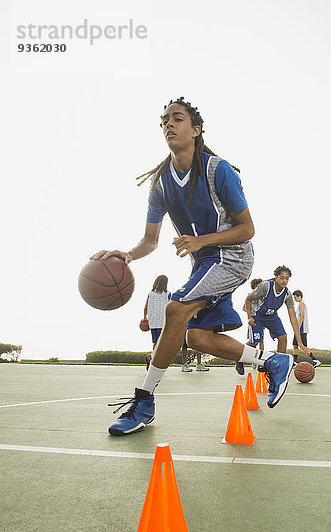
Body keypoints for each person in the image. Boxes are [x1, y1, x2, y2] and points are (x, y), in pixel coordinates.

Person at [92, 97, 294, 435]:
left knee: (175, 310)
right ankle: (271, 361)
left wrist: (201, 241)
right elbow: (150, 242)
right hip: (205, 262)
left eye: (177, 118)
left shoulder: (219, 170)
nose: (169, 124)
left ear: (196, 130)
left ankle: (144, 400)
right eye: (164, 121)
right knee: (196, 337)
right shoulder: (161, 184)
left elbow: (248, 229)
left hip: (232, 256)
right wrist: (127, 255)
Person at [235, 266, 316, 373]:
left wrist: (300, 342)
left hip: (271, 317)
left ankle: (278, 367)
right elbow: (248, 299)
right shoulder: (266, 286)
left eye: (287, 278)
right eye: (282, 278)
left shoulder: (287, 294)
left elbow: (293, 318)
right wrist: (249, 316)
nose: (284, 281)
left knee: (283, 337)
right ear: (276, 277)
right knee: (254, 342)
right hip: (257, 316)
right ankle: (239, 358)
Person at [235, 278, 264, 374]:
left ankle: (260, 362)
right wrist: (251, 315)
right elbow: (244, 308)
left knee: (260, 341)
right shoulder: (251, 295)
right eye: (260, 285)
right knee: (254, 342)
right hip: (254, 321)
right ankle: (239, 358)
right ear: (255, 286)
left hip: (262, 321)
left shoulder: (262, 296)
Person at [292, 290, 320, 366]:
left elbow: (302, 316)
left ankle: (315, 360)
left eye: (295, 297)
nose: (294, 299)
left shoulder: (301, 303)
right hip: (299, 328)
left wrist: (298, 327)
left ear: (299, 296)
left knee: (302, 345)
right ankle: (295, 362)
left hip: (301, 329)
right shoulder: (300, 304)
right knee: (295, 345)